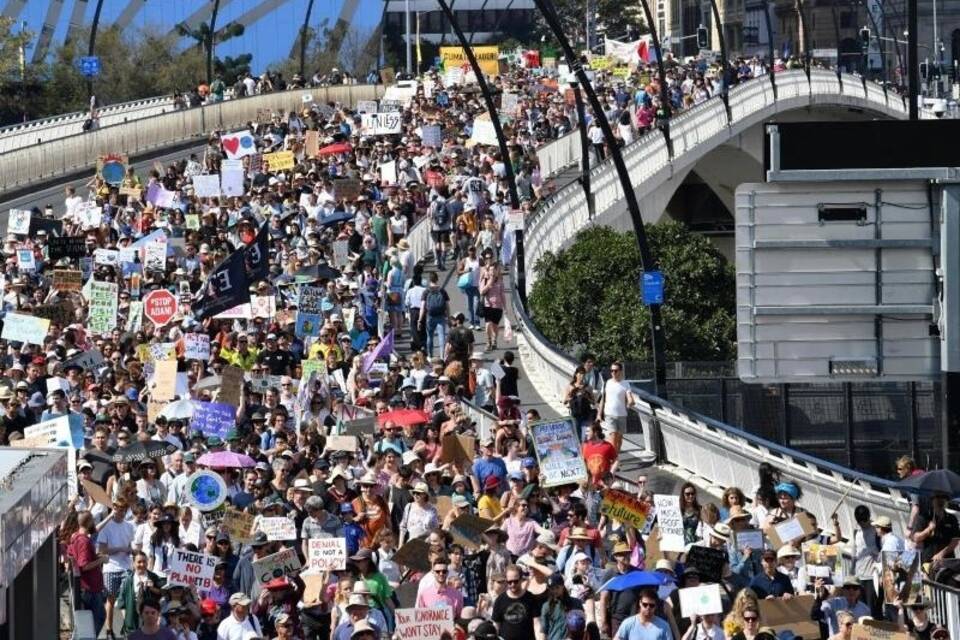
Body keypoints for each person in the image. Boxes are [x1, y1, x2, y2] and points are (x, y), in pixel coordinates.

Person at [68, 510, 107, 637]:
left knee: (87, 623)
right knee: (98, 618)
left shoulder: (75, 537)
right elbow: (83, 565)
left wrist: (96, 557)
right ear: (89, 521)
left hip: (86, 587)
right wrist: (101, 560)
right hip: (90, 588)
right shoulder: (83, 541)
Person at [492, 565, 541, 640]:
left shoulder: (530, 598)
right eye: (509, 582)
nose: (512, 584)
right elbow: (496, 625)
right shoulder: (500, 600)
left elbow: (537, 624)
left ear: (521, 579)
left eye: (515, 581)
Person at [598, 361, 633, 453]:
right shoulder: (607, 383)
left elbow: (629, 396)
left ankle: (616, 456)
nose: (613, 373)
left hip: (621, 415)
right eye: (611, 370)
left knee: (619, 440)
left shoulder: (625, 383)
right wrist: (599, 414)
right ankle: (613, 460)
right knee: (613, 438)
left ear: (620, 371)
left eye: (616, 370)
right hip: (609, 414)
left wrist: (630, 402)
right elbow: (602, 400)